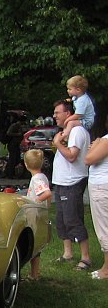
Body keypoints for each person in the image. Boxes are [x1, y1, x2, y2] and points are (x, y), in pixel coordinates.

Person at [51, 99, 91, 271]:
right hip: (61, 182)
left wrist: (58, 143)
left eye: (57, 112)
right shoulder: (68, 131)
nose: (54, 116)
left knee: (73, 219)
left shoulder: (77, 132)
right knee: (61, 220)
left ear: (68, 114)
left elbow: (72, 156)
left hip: (72, 182)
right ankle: (68, 253)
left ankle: (86, 258)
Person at [23, 149, 52, 280]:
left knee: (33, 243)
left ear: (26, 164)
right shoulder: (42, 176)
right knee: (36, 245)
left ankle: (33, 274)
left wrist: (34, 201)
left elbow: (46, 193)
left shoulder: (37, 179)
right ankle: (34, 274)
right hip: (39, 215)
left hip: (35, 215)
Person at [86, 129, 108, 280]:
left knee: (104, 228)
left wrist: (98, 143)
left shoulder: (105, 141)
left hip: (101, 187)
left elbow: (88, 159)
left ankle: (106, 270)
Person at [61, 75, 95, 140]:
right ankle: (66, 133)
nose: (68, 91)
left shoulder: (82, 100)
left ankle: (65, 137)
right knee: (70, 121)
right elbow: (74, 101)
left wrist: (67, 120)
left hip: (87, 121)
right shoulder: (76, 97)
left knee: (70, 122)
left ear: (78, 90)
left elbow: (78, 115)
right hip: (82, 119)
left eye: (70, 89)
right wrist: (69, 100)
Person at [4, 112, 28, 179]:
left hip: (17, 145)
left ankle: (12, 173)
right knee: (12, 160)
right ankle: (10, 174)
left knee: (17, 159)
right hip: (12, 145)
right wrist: (18, 134)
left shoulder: (20, 126)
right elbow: (8, 133)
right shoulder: (15, 125)